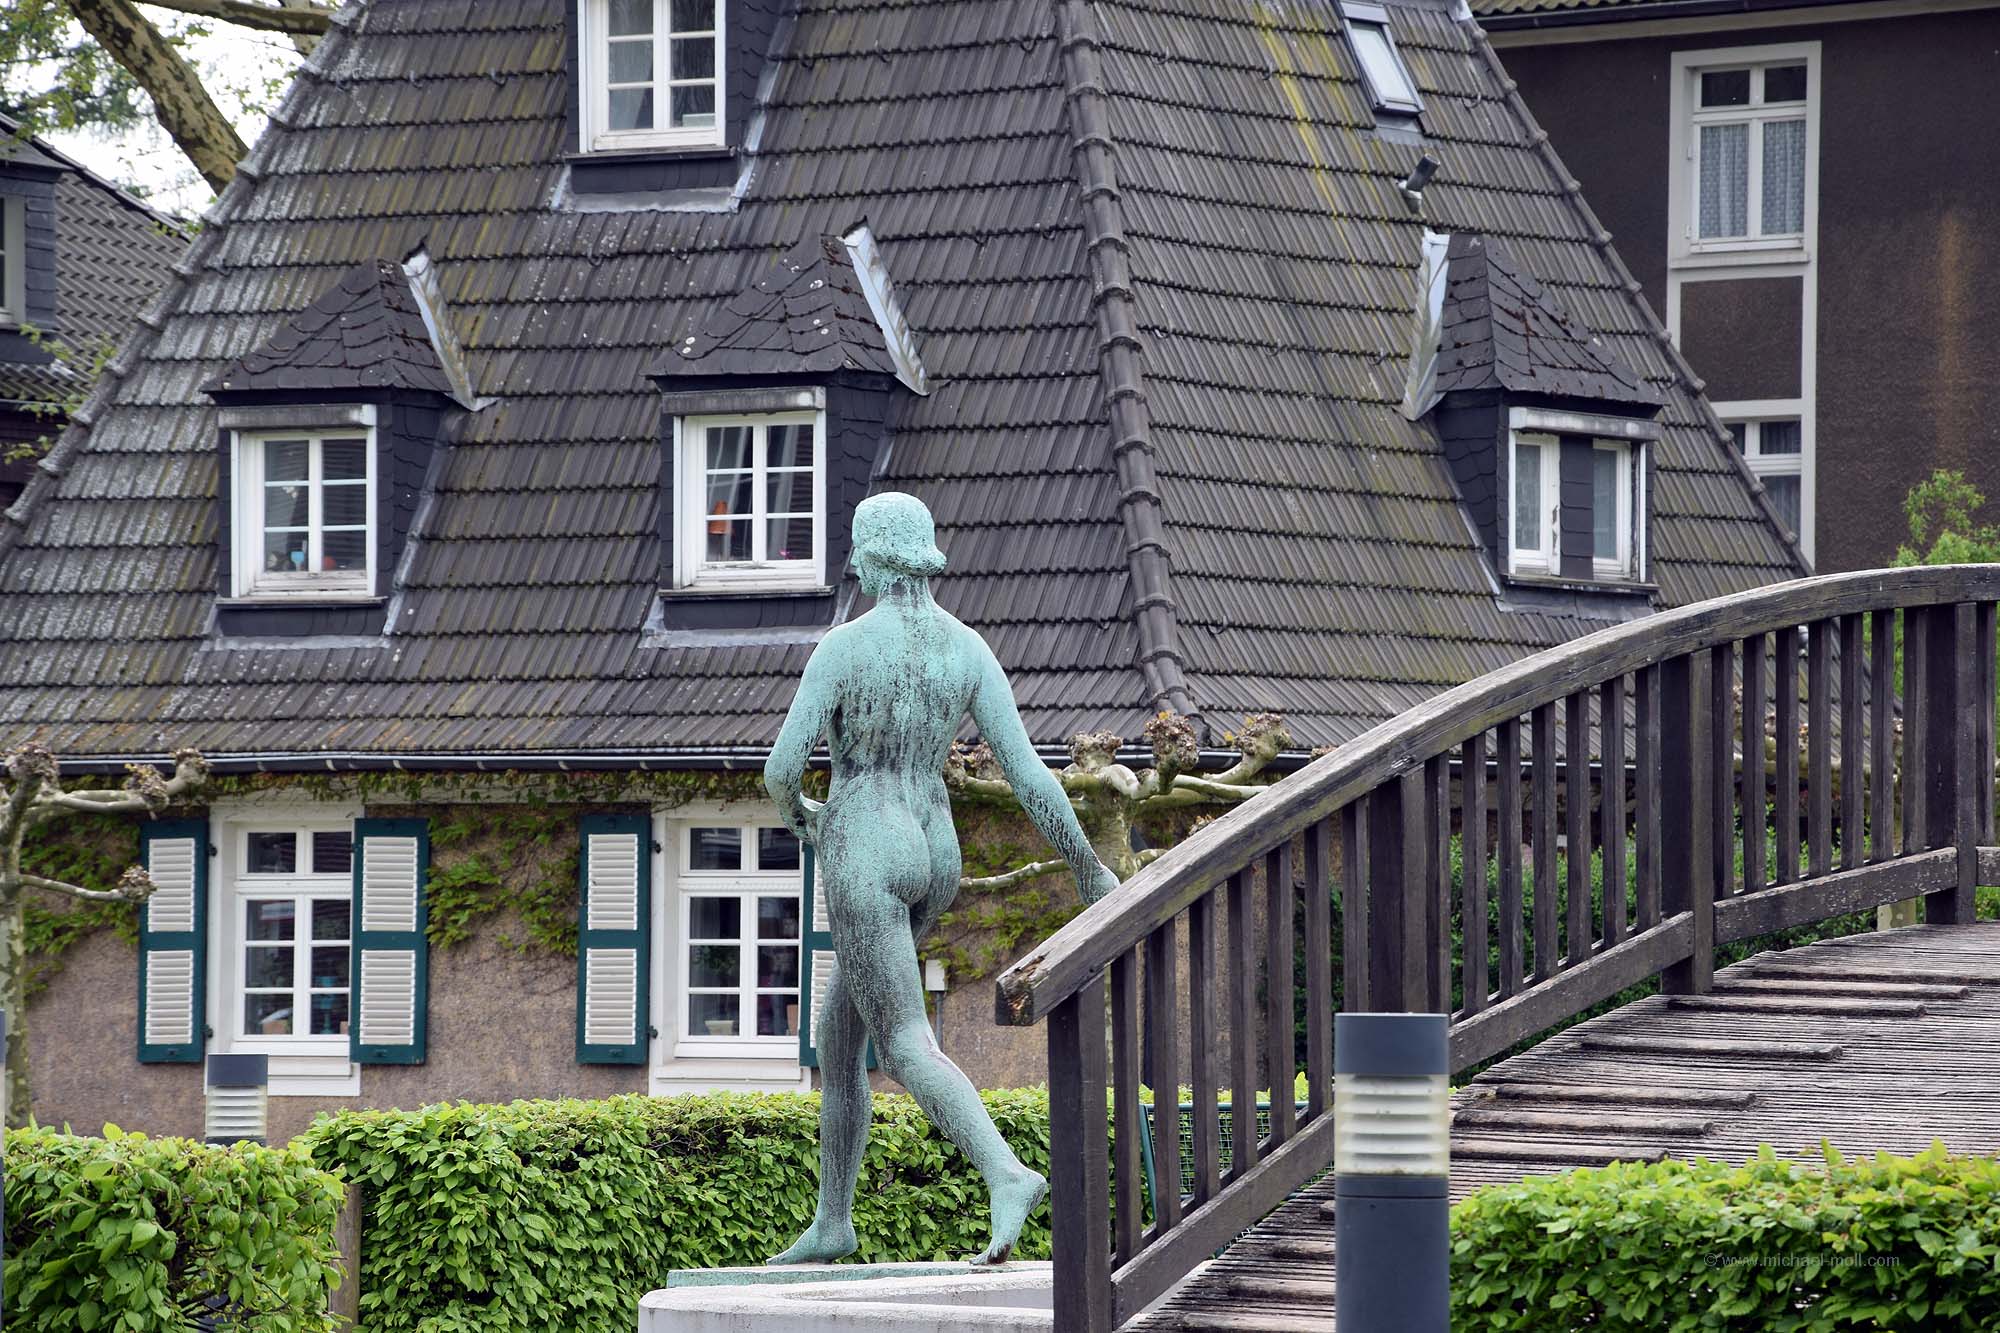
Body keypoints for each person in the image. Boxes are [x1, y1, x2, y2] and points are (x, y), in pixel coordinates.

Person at [763, 491, 1121, 1267]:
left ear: (871, 554)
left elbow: (782, 768)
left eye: (855, 550)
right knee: (839, 1033)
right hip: (935, 844)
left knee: (902, 1039)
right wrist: (1088, 865)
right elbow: (1029, 775)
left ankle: (1006, 1171)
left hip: (867, 842)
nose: (852, 564)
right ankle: (833, 1219)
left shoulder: (843, 648)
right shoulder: (968, 648)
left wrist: (804, 817)